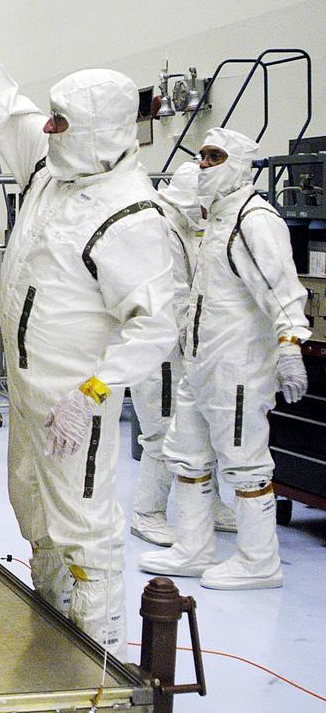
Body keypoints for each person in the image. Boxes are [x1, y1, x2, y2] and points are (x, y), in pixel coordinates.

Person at [0, 28, 179, 656]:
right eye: (51, 118)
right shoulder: (50, 170)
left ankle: (96, 660)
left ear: (101, 132)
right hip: (27, 390)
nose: (48, 129)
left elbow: (154, 325)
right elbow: (4, 106)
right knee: (32, 508)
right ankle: (50, 626)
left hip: (74, 400)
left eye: (62, 121)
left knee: (84, 526)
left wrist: (93, 393)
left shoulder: (132, 215)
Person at [139, 127, 308, 590]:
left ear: (238, 165)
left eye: (216, 157)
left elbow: (281, 288)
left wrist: (291, 343)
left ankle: (259, 561)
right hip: (199, 363)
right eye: (203, 157)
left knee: (244, 461)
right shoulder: (216, 220)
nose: (205, 165)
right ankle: (194, 548)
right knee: (188, 455)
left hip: (238, 367)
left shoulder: (254, 219)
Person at [129, 161, 236, 545]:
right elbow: (173, 300)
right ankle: (148, 512)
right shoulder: (161, 228)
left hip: (188, 350)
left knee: (200, 429)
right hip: (161, 352)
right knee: (161, 432)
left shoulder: (190, 227)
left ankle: (210, 502)